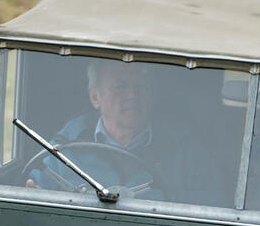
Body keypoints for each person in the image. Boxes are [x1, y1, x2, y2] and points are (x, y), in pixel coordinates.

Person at [27, 59, 180, 199]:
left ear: (152, 94)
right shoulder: (62, 149)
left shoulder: (182, 149)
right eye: (120, 86)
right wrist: (34, 194)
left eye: (142, 86)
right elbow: (37, 198)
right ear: (95, 97)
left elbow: (199, 210)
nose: (133, 95)